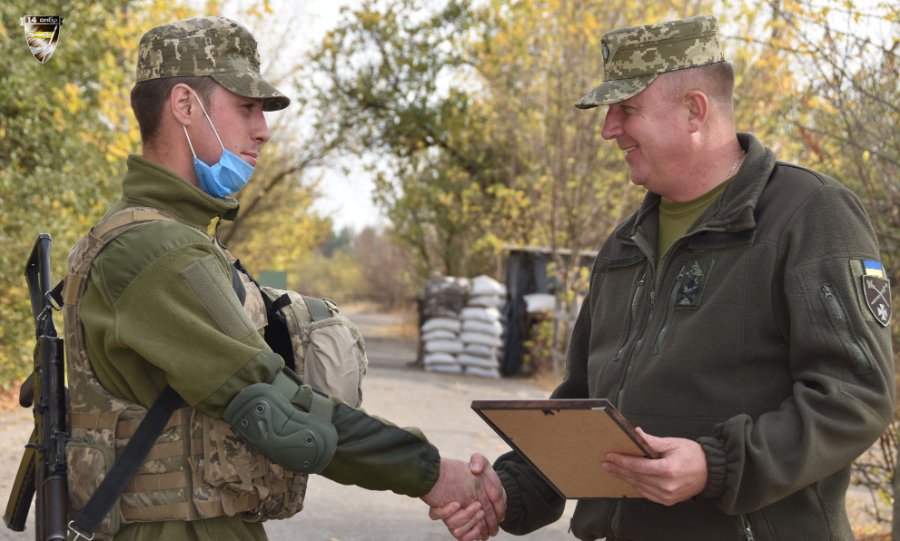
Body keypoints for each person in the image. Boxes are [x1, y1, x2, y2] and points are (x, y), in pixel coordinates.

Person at [430, 14, 894, 541]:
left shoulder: (810, 214)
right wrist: (506, 491)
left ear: (694, 110)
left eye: (626, 109)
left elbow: (854, 396)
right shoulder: (624, 246)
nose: (608, 129)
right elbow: (585, 407)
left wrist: (716, 466)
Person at [62, 16, 502, 541]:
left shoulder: (172, 237)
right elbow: (273, 408)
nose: (263, 130)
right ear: (184, 105)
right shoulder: (158, 252)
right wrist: (430, 472)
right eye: (246, 108)